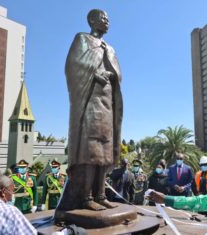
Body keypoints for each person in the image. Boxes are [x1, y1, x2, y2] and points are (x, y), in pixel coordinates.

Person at [56, 9, 123, 212]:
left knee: (105, 151)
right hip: (90, 102)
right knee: (91, 150)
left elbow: (119, 75)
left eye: (108, 19)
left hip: (107, 103)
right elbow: (73, 64)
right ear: (92, 21)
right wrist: (95, 73)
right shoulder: (82, 39)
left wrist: (112, 75)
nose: (107, 21)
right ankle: (86, 197)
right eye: (103, 18)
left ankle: (101, 195)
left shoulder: (110, 48)